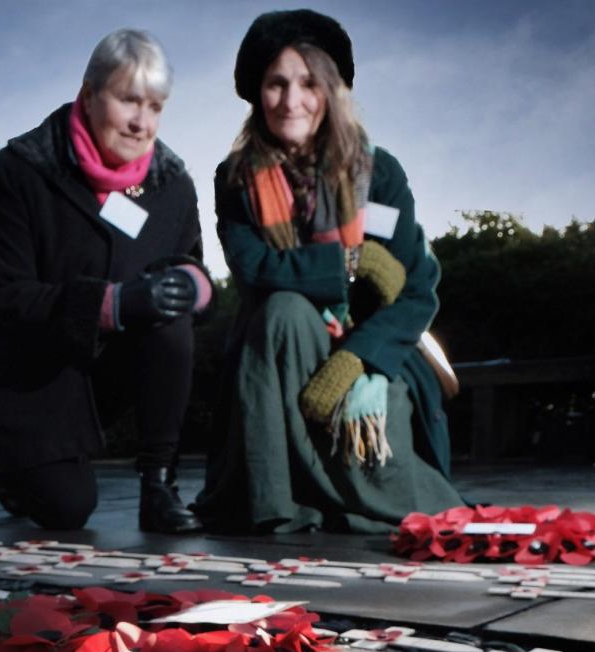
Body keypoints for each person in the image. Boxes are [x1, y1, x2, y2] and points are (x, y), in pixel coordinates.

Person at [194, 9, 462, 534]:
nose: (291, 101)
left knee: (382, 428)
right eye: (276, 83)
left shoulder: (379, 171)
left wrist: (359, 363)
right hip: (280, 349)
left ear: (332, 89)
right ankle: (280, 501)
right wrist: (350, 263)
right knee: (282, 310)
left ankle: (357, 493)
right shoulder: (236, 179)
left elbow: (415, 290)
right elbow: (254, 269)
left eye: (308, 83)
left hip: (372, 349)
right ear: (257, 93)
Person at [0, 29, 212, 532]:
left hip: (116, 369)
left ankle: (159, 484)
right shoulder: (23, 168)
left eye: (154, 106)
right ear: (88, 94)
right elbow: (6, 298)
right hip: (40, 369)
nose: (141, 122)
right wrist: (113, 303)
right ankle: (21, 470)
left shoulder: (173, 183)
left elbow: (192, 261)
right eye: (128, 100)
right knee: (67, 510)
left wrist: (191, 286)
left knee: (170, 308)